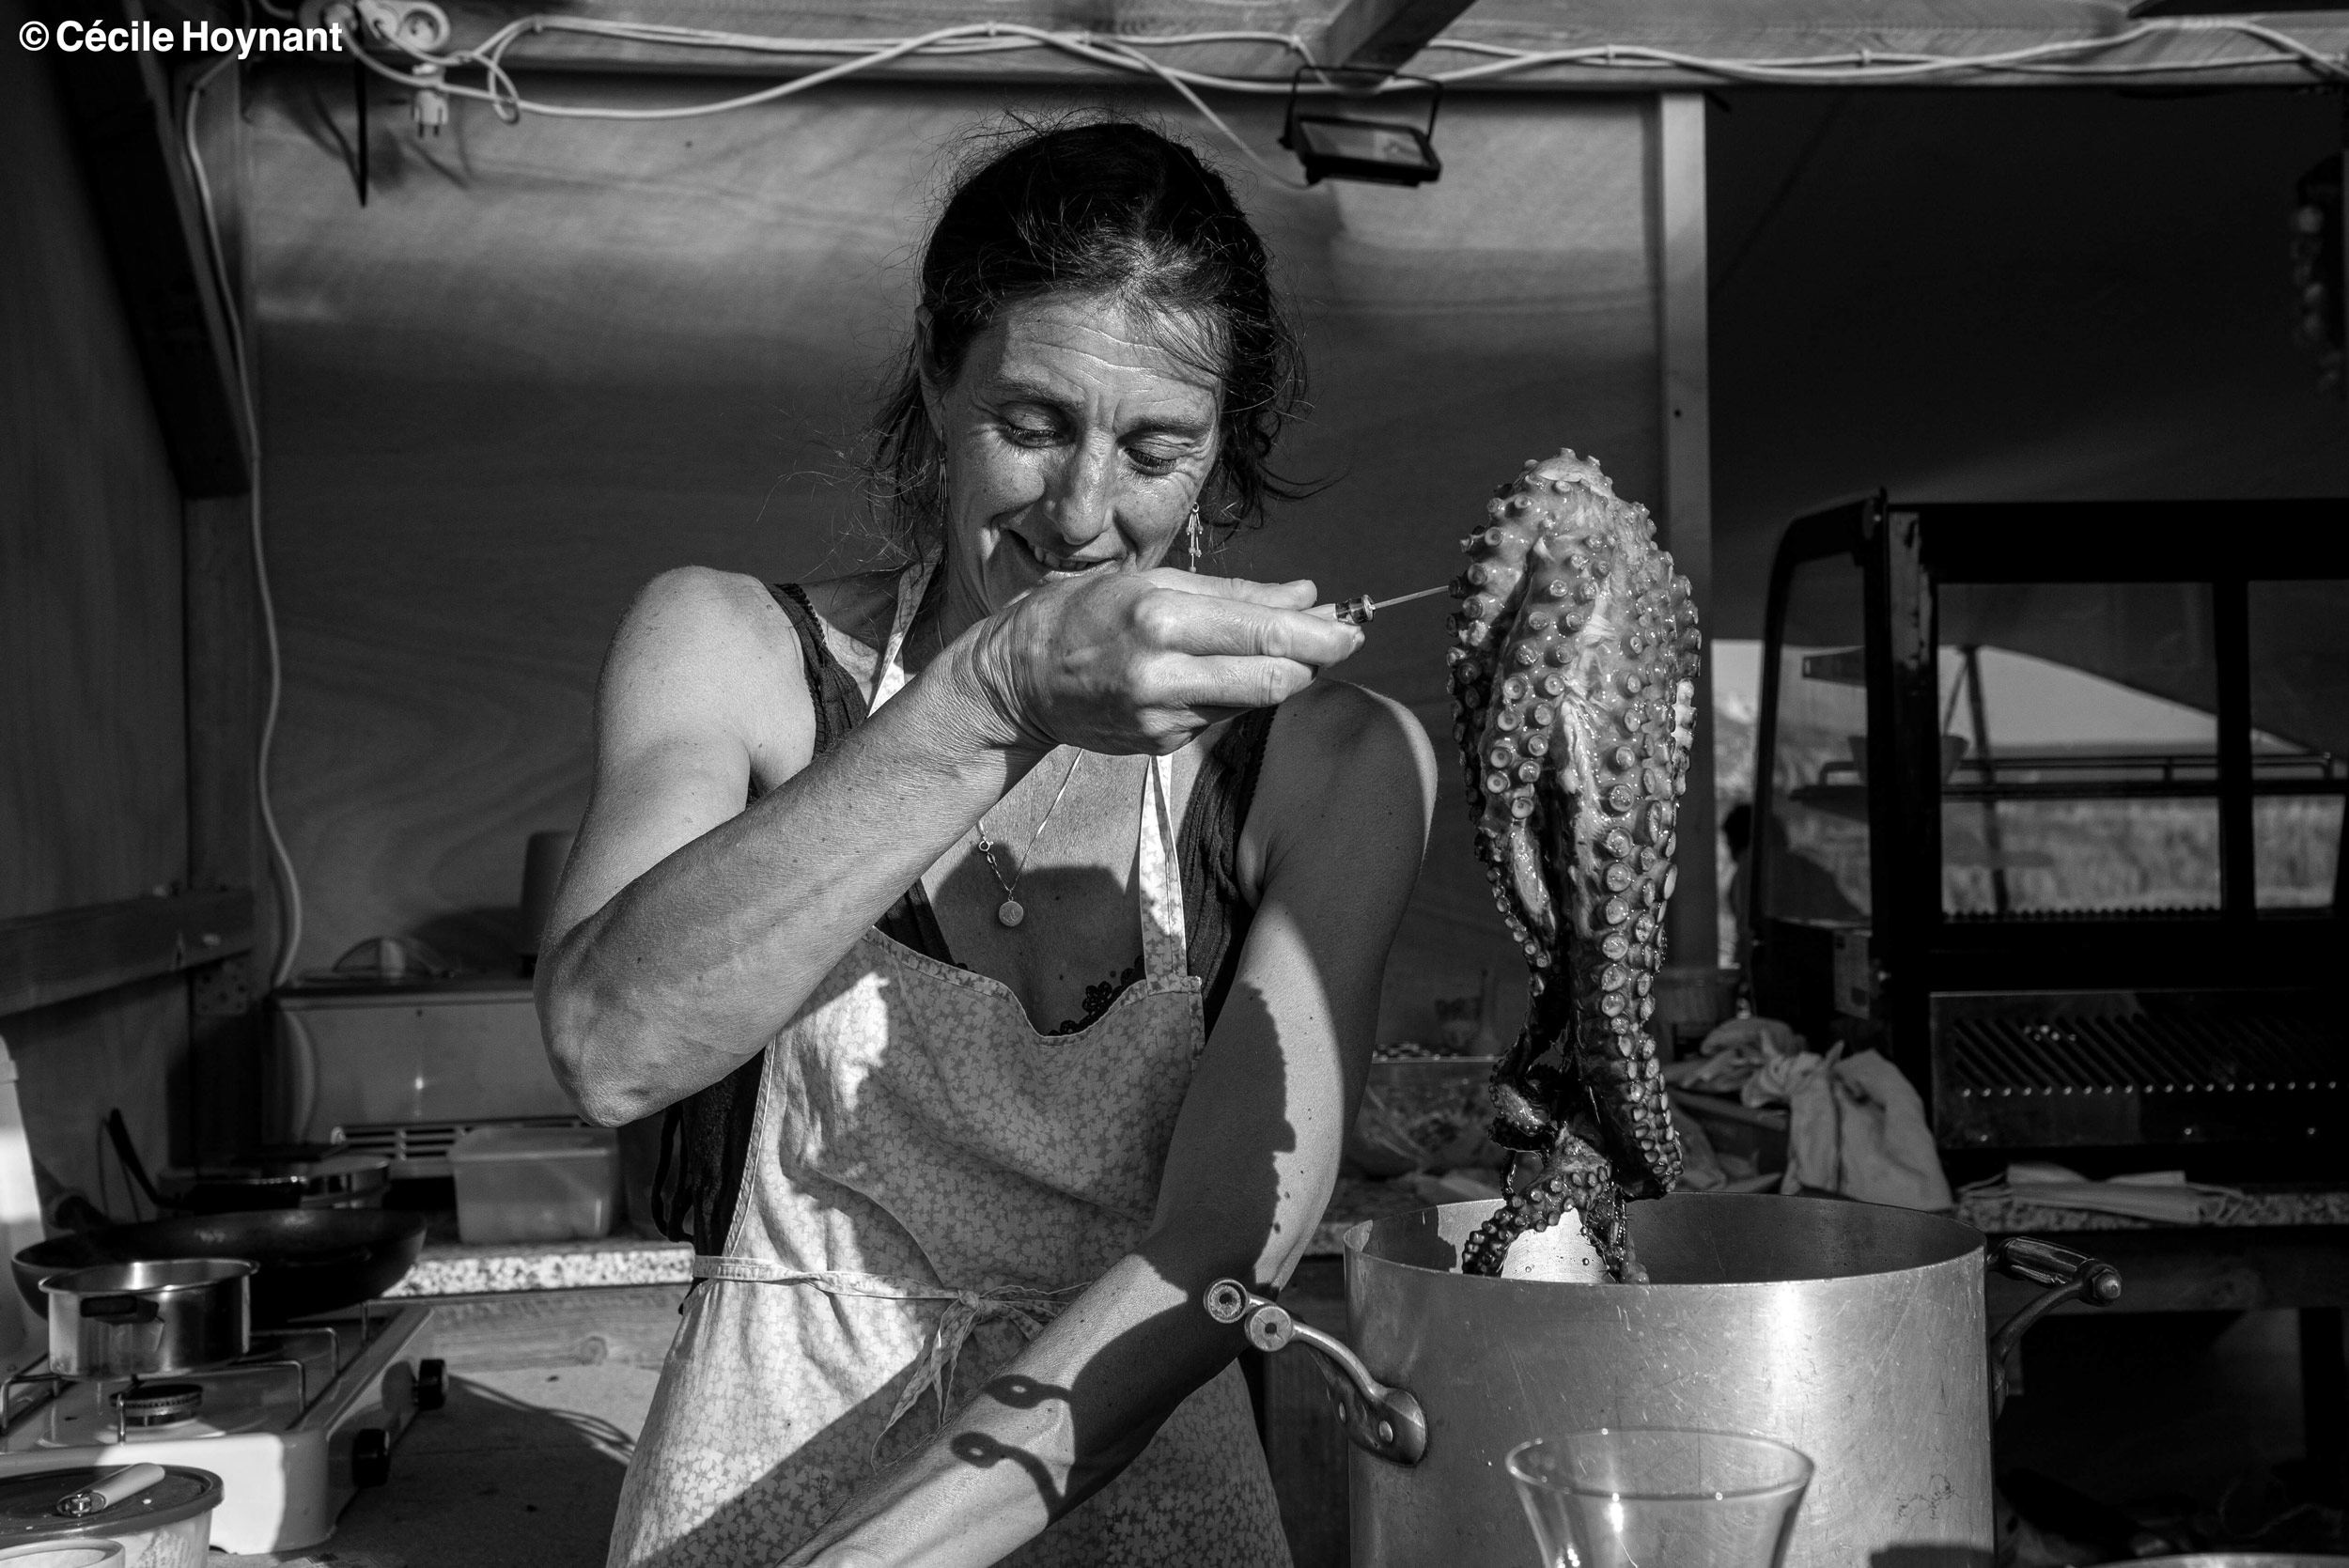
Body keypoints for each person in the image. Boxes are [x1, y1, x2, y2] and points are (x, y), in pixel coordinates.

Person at [536, 117, 1436, 1568]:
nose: (1084, 512)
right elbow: (608, 1043)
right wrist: (991, 694)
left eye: (1156, 448)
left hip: (1138, 1496)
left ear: (1219, 460)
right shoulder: (735, 654)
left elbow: (1221, 1245)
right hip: (761, 1484)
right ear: (937, 387)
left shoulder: (1330, 765)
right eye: (1031, 424)